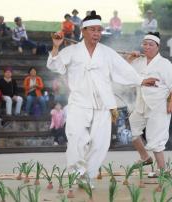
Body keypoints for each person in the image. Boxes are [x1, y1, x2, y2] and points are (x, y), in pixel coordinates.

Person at [47, 10, 157, 185]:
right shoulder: (72, 51)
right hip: (79, 103)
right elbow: (55, 65)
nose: (97, 33)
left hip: (104, 105)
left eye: (99, 30)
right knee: (76, 139)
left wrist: (142, 80)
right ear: (83, 31)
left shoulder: (107, 53)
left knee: (100, 144)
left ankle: (87, 177)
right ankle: (78, 172)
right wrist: (56, 46)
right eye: (93, 30)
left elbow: (123, 70)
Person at [127, 32, 172, 176]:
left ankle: (162, 170)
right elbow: (125, 74)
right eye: (145, 44)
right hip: (141, 104)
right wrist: (129, 59)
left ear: (158, 47)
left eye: (151, 45)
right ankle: (145, 157)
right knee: (132, 130)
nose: (147, 47)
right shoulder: (138, 61)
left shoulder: (164, 63)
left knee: (156, 138)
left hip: (158, 107)